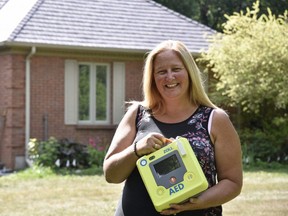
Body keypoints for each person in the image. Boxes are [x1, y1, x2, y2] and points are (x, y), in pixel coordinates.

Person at [103, 40, 242, 216]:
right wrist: (137, 150)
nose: (169, 77)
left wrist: (197, 203)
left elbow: (233, 182)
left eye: (176, 69)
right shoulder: (137, 114)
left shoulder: (215, 119)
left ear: (189, 72)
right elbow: (111, 175)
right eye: (161, 72)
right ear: (152, 78)